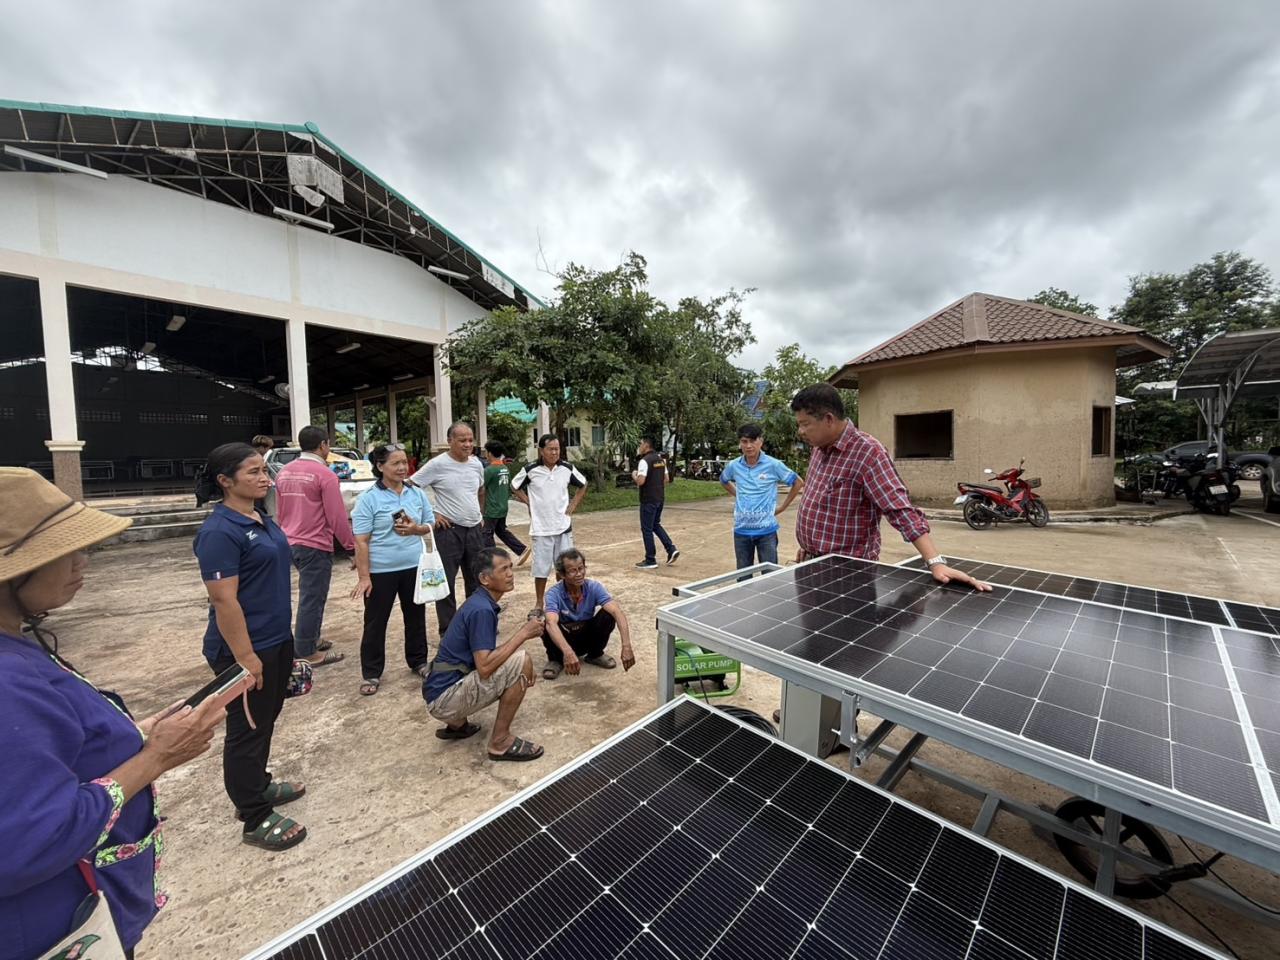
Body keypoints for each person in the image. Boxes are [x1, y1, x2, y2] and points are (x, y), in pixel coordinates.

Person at [0, 468, 227, 960]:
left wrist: (134, 733)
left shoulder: (15, 647)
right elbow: (34, 839)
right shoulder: (7, 682)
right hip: (54, 929)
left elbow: (49, 750)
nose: (82, 562)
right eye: (64, 552)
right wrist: (154, 759)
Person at [784, 384, 990, 752]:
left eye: (804, 424)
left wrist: (935, 562)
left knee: (845, 653)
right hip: (812, 566)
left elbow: (899, 509)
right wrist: (807, 545)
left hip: (847, 577)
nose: (800, 431)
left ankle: (837, 729)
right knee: (815, 643)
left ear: (828, 419)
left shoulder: (868, 454)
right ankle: (808, 712)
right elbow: (819, 502)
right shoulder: (819, 450)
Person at [192, 443, 307, 850]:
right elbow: (224, 601)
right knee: (247, 730)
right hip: (242, 649)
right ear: (225, 481)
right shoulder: (219, 532)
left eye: (264, 470)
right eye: (253, 472)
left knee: (266, 717)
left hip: (275, 639)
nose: (265, 478)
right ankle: (254, 815)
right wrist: (245, 658)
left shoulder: (260, 517)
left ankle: (258, 784)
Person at [422, 548, 546, 761]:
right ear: (484, 579)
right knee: (522, 661)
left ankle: (458, 725)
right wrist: (523, 634)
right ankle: (500, 741)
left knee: (510, 660)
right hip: (443, 699)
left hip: (437, 690)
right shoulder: (482, 610)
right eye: (503, 569)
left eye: (510, 567)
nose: (510, 574)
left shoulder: (479, 602)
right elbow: (485, 667)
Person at [351, 443, 436, 697]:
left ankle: (418, 661)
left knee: (416, 616)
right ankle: (371, 672)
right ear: (380, 466)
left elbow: (430, 523)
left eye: (404, 462)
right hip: (381, 571)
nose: (402, 468)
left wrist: (416, 529)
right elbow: (361, 541)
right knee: (375, 622)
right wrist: (364, 577)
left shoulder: (416, 493)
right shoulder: (368, 499)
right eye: (395, 463)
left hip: (413, 566)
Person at [274, 425, 353, 667]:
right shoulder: (325, 475)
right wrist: (351, 547)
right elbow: (337, 516)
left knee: (311, 595)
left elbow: (280, 510)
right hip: (315, 543)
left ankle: (311, 638)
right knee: (313, 597)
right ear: (323, 445)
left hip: (289, 541)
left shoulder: (284, 472)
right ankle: (306, 651)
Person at [410, 422, 485, 636]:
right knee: (447, 583)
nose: (467, 444)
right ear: (450, 441)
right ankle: (449, 630)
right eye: (462, 440)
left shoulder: (476, 464)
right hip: (449, 532)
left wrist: (480, 514)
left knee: (478, 579)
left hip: (474, 530)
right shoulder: (437, 465)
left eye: (470, 440)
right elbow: (411, 487)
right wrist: (432, 514)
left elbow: (481, 490)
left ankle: (476, 622)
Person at [511, 434, 588, 610]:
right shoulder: (530, 470)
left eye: (557, 449)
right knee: (541, 569)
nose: (554, 453)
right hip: (541, 528)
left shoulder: (567, 468)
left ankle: (563, 599)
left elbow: (583, 484)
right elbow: (514, 486)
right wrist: (528, 502)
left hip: (563, 526)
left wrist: (573, 504)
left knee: (565, 567)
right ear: (541, 451)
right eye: (551, 449)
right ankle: (539, 602)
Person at [540, 548, 636, 680]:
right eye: (572, 571)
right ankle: (556, 660)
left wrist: (626, 646)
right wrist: (568, 652)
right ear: (562, 575)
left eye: (581, 568)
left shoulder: (593, 587)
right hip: (564, 640)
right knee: (545, 623)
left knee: (608, 615)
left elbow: (617, 612)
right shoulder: (554, 594)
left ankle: (595, 654)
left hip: (585, 635)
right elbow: (551, 623)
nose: (579, 574)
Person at [720, 423, 803, 572]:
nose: (749, 446)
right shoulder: (734, 466)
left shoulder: (773, 465)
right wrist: (739, 495)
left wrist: (782, 507)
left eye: (753, 441)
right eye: (744, 441)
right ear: (740, 443)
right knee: (743, 576)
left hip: (766, 531)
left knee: (770, 576)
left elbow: (798, 482)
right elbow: (724, 480)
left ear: (761, 442)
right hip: (741, 531)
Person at [632, 436, 679, 569]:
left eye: (640, 444)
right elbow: (666, 479)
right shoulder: (660, 460)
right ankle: (671, 549)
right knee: (655, 525)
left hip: (648, 499)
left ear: (646, 446)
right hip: (659, 498)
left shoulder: (644, 461)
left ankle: (650, 559)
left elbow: (641, 481)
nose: (639, 447)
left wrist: (634, 475)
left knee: (647, 528)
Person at [481, 440, 528, 559]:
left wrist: (481, 509)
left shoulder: (489, 470)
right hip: (503, 507)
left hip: (491, 508)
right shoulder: (504, 468)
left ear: (489, 453)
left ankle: (492, 558)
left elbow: (481, 489)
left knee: (486, 534)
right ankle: (521, 549)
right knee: (501, 531)